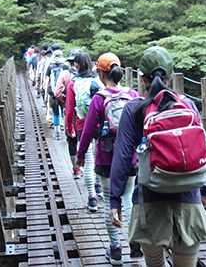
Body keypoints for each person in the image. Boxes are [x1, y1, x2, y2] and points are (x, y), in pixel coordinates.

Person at [109, 46, 206, 267]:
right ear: (169, 75)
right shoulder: (187, 104)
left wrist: (115, 199)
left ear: (141, 77)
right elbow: (203, 148)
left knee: (155, 264)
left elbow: (123, 157)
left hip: (149, 203)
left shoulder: (133, 108)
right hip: (189, 201)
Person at [75, 53, 138, 265]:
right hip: (130, 156)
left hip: (105, 156)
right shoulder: (133, 94)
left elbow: (87, 131)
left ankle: (115, 249)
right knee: (128, 198)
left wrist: (81, 156)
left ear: (101, 73)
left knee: (110, 200)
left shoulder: (99, 99)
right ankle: (134, 241)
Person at [65, 51, 100, 201]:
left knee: (87, 161)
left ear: (77, 65)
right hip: (99, 124)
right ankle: (99, 185)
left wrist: (69, 127)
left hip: (82, 125)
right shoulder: (98, 82)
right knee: (99, 156)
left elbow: (69, 109)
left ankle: (92, 197)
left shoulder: (73, 84)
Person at [45, 49, 68, 139]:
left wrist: (46, 95)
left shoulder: (50, 67)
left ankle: (57, 133)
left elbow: (47, 81)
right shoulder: (65, 66)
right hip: (63, 94)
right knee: (64, 112)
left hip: (52, 94)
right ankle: (66, 131)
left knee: (55, 114)